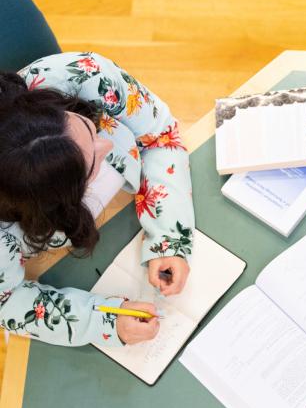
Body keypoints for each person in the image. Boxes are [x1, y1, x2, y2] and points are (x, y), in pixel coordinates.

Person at [0, 52, 194, 346]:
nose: (105, 144)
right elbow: (6, 302)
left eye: (87, 126)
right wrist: (104, 321)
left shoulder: (83, 75)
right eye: (90, 166)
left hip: (118, 216)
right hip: (55, 261)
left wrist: (169, 236)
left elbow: (161, 137)